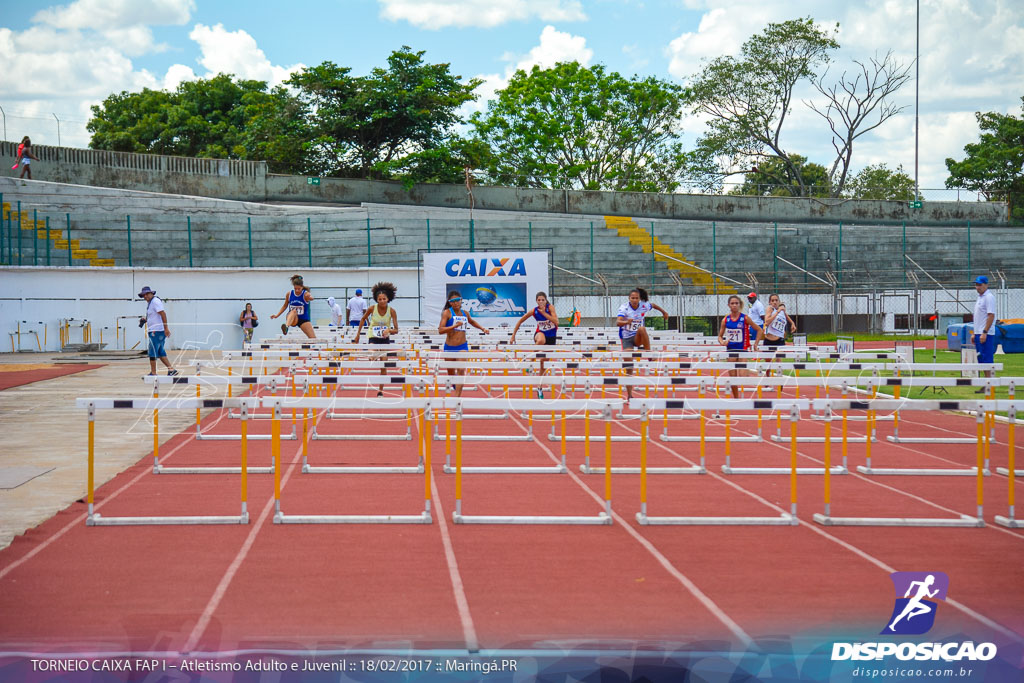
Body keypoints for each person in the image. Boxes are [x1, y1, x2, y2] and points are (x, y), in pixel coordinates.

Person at [438, 290, 490, 397]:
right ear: (450, 302)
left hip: (462, 346)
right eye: (453, 301)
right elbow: (440, 330)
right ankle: (456, 385)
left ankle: (457, 398)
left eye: (458, 300)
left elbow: (472, 321)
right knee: (451, 373)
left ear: (461, 301)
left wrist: (482, 328)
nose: (456, 303)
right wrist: (454, 326)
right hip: (449, 347)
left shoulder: (465, 313)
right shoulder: (447, 313)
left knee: (461, 370)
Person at [354, 282, 399, 397]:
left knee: (383, 365)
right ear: (376, 300)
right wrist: (358, 334)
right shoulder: (371, 308)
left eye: (384, 299)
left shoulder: (392, 311)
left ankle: (380, 390)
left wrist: (389, 330)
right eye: (380, 299)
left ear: (388, 299)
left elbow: (396, 330)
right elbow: (363, 319)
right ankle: (371, 354)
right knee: (373, 356)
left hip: (384, 338)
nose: (382, 301)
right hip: (373, 336)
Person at [718, 294, 763, 398]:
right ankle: (736, 398)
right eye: (732, 303)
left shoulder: (745, 318)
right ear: (728, 305)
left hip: (742, 349)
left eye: (736, 303)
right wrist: (722, 342)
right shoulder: (725, 320)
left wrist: (756, 344)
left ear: (739, 305)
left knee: (742, 375)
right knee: (733, 377)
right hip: (731, 350)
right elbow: (720, 336)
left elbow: (759, 330)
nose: (734, 305)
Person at [138, 286, 178, 376]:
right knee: (160, 352)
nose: (145, 296)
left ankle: (153, 372)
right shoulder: (151, 303)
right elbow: (155, 317)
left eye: (147, 294)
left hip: (156, 331)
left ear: (151, 293)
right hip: (155, 330)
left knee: (152, 352)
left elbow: (163, 314)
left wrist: (166, 328)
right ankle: (171, 370)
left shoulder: (155, 301)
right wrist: (146, 319)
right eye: (144, 295)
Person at [616, 287, 669, 351]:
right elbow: (618, 322)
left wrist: (664, 313)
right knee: (628, 360)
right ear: (629, 298)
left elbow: (653, 305)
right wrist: (627, 322)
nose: (635, 300)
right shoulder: (624, 307)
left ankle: (648, 353)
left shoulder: (644, 305)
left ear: (639, 299)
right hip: (626, 337)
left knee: (642, 328)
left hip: (637, 337)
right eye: (632, 298)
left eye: (636, 298)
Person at [971, 275, 997, 389]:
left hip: (985, 333)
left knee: (987, 359)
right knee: (981, 358)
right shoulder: (980, 297)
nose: (978, 287)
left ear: (986, 285)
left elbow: (991, 315)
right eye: (976, 285)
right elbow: (978, 317)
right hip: (978, 332)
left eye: (980, 285)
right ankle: (986, 384)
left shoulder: (989, 297)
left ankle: (990, 385)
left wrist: (984, 332)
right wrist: (974, 332)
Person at [271, 274, 315, 339]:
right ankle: (286, 327)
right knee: (293, 311)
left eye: (299, 289)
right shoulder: (289, 294)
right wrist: (277, 315)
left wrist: (310, 298)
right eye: (295, 289)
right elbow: (284, 306)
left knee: (313, 339)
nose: (297, 290)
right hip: (292, 318)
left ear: (302, 287)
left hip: (303, 319)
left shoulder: (305, 294)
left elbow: (311, 298)